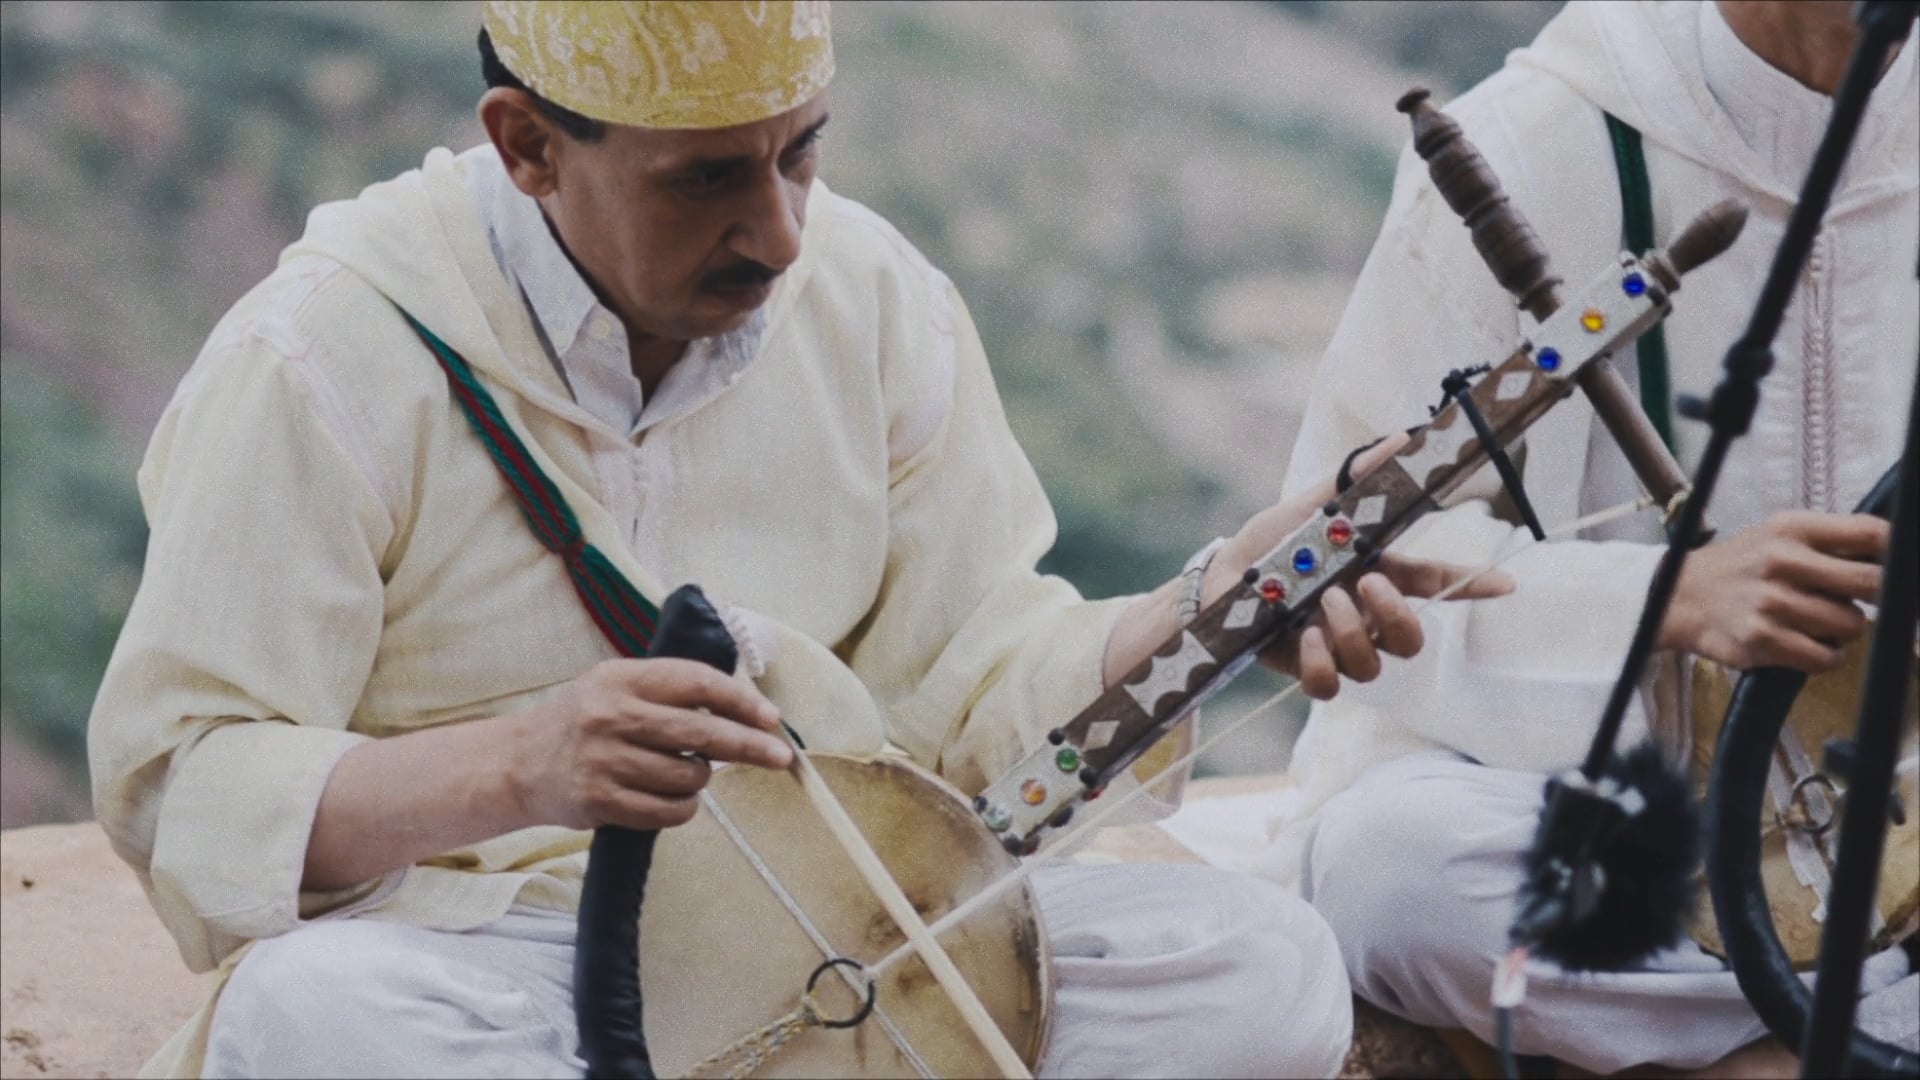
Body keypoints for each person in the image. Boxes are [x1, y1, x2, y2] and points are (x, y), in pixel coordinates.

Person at [86, 3, 1509, 1077]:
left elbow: (970, 700)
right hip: (496, 960)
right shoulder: (327, 354)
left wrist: (1217, 599)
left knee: (1262, 972)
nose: (775, 232)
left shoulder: (871, 299)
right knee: (311, 1018)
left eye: (800, 154)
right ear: (525, 144)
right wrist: (524, 766)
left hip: (853, 940)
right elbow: (185, 784)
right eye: (705, 179)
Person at [1157, 0, 1919, 1073]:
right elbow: (1363, 560)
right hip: (1605, 818)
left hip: (1900, 822)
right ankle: (1843, 1029)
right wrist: (1669, 600)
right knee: (1395, 872)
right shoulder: (1541, 140)